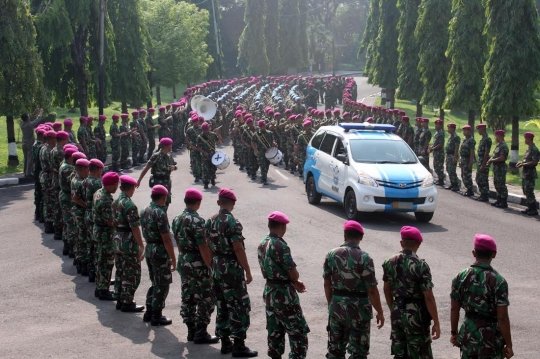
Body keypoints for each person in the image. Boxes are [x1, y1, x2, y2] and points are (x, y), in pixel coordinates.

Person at [205, 188, 258, 357]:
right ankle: (239, 345)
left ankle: (225, 343)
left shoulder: (210, 221)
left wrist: (211, 267)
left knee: (222, 305)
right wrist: (248, 271)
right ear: (233, 204)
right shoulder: (232, 222)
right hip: (231, 269)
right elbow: (238, 248)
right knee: (238, 306)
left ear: (218, 202)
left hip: (216, 266)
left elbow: (207, 245)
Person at [323, 220, 385, 359]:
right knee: (359, 352)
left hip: (337, 306)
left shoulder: (331, 255)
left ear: (345, 236)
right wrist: (380, 311)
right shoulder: (365, 258)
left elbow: (327, 283)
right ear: (360, 238)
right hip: (359, 310)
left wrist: (331, 303)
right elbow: (372, 290)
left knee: (335, 351)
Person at [450, 234, 513, 359]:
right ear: (494, 254)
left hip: (468, 334)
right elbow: (502, 318)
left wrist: (454, 333)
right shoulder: (498, 281)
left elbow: (454, 309)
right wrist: (509, 344)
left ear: (474, 253)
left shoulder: (460, 277)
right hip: (491, 339)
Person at [382, 226, 440, 359]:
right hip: (416, 314)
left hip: (397, 310)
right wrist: (436, 322)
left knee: (399, 351)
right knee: (419, 352)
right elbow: (429, 297)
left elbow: (386, 289)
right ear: (418, 244)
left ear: (401, 243)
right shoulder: (420, 265)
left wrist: (393, 308)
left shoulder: (389, 262)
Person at [257, 211, 309, 359]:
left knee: (275, 331)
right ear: (282, 227)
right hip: (284, 295)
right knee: (298, 333)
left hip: (270, 291)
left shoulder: (262, 243)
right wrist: (295, 279)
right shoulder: (280, 245)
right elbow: (293, 273)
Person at [172, 188, 218, 343]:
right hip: (197, 263)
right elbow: (203, 246)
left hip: (183, 260)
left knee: (188, 295)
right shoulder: (198, 221)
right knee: (206, 297)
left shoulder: (177, 218)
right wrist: (210, 266)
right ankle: (201, 331)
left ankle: (191, 330)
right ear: (198, 203)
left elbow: (178, 242)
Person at [140, 185, 177, 326]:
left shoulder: (145, 210)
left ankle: (149, 311)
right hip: (160, 251)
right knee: (162, 283)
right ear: (163, 197)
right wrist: (173, 258)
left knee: (155, 281)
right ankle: (156, 314)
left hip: (150, 248)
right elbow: (167, 239)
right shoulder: (160, 213)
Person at [112, 175, 145, 313]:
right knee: (132, 272)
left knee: (120, 270)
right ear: (131, 188)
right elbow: (135, 228)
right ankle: (127, 301)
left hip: (117, 239)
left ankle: (120, 298)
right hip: (128, 242)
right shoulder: (129, 205)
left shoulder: (116, 202)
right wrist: (141, 245)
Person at [93, 172, 119, 301]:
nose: (116, 187)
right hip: (105, 234)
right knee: (106, 262)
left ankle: (100, 287)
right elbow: (111, 221)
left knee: (101, 260)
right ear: (109, 185)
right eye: (115, 185)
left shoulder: (99, 192)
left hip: (100, 231)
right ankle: (103, 289)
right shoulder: (104, 200)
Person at [136, 137, 177, 210]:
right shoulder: (156, 156)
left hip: (167, 182)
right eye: (170, 145)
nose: (171, 146)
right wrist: (139, 180)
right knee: (157, 203)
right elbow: (146, 168)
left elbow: (175, 165)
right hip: (158, 182)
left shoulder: (169, 155)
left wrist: (174, 167)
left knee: (166, 202)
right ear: (166, 146)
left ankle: (162, 217)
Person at [83, 159, 104, 283]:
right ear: (98, 170)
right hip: (94, 216)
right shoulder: (96, 183)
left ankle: (91, 270)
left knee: (90, 244)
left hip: (87, 213)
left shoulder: (85, 181)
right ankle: (97, 273)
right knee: (96, 246)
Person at [71, 157, 90, 274]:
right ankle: (83, 264)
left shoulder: (75, 178)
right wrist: (87, 206)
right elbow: (76, 198)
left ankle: (79, 260)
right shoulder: (80, 182)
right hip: (80, 212)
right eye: (87, 168)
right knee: (83, 238)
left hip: (76, 211)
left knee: (79, 237)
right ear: (82, 169)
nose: (88, 171)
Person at [59, 147, 77, 256]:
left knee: (66, 223)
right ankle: (71, 248)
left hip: (64, 196)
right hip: (67, 197)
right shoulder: (68, 168)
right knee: (71, 224)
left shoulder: (63, 164)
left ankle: (66, 245)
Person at [516, 132, 539, 215]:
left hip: (530, 173)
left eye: (525, 138)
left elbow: (535, 162)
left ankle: (534, 209)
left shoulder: (534, 149)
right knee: (525, 191)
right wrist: (521, 163)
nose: (525, 140)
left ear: (529, 139)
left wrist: (523, 164)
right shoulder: (529, 148)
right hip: (525, 173)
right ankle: (530, 207)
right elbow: (527, 160)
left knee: (529, 191)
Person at [40, 130, 57, 234]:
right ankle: (50, 225)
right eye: (54, 138)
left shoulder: (43, 148)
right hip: (49, 178)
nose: (55, 140)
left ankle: (47, 223)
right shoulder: (49, 150)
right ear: (50, 139)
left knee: (47, 201)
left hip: (44, 176)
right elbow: (52, 167)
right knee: (50, 202)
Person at [487, 130, 509, 209]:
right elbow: (495, 155)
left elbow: (502, 158)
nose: (495, 137)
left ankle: (503, 201)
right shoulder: (498, 145)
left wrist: (492, 160)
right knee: (496, 183)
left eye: (496, 136)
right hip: (496, 168)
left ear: (500, 136)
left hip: (501, 167)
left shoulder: (503, 146)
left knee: (501, 184)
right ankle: (499, 199)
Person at [20, 109, 44, 176]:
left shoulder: (22, 124)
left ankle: (24, 171)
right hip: (29, 143)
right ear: (27, 118)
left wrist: (34, 112)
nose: (29, 116)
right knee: (29, 158)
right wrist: (40, 113)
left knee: (25, 158)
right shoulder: (30, 125)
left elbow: (28, 117)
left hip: (24, 143)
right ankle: (28, 173)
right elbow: (37, 120)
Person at [196, 122, 220, 189]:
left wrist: (218, 133)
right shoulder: (200, 137)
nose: (206, 131)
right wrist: (204, 152)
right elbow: (198, 147)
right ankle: (206, 183)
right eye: (204, 129)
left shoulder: (213, 135)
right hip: (205, 156)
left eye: (207, 129)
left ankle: (212, 178)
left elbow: (219, 141)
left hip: (213, 155)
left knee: (213, 168)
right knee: (205, 169)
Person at [252, 120, 276, 185]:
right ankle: (264, 178)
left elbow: (273, 140)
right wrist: (255, 150)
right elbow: (252, 142)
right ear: (259, 127)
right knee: (263, 165)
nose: (263, 127)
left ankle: (264, 176)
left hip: (268, 152)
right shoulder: (256, 134)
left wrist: (274, 143)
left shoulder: (270, 133)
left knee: (267, 165)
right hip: (261, 153)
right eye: (261, 126)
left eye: (264, 125)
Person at [474, 124, 493, 202]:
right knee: (478, 178)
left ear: (483, 129)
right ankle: (482, 194)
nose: (478, 131)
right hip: (480, 160)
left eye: (479, 129)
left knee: (483, 179)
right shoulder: (483, 139)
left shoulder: (487, 139)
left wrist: (484, 164)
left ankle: (485, 195)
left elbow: (486, 153)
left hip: (483, 160)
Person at [460, 125, 476, 197]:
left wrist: (470, 162)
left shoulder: (471, 140)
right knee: (463, 175)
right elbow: (461, 150)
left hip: (467, 159)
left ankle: (470, 190)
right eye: (463, 130)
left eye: (465, 130)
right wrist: (460, 160)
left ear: (469, 131)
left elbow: (472, 152)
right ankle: (467, 189)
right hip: (463, 159)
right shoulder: (464, 139)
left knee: (467, 175)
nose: (464, 132)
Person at [444, 123, 461, 192]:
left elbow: (456, 147)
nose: (448, 129)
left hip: (452, 155)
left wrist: (455, 157)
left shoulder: (456, 137)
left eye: (449, 128)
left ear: (453, 129)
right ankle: (452, 184)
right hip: (448, 155)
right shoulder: (450, 137)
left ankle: (456, 185)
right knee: (448, 170)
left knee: (452, 171)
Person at [428, 119, 445, 186]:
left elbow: (441, 144)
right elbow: (435, 143)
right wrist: (431, 147)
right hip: (436, 153)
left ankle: (441, 180)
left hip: (439, 153)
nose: (435, 126)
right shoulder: (436, 133)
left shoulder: (441, 133)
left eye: (436, 124)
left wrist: (433, 149)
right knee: (436, 166)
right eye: (435, 124)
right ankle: (439, 179)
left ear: (440, 125)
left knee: (439, 167)